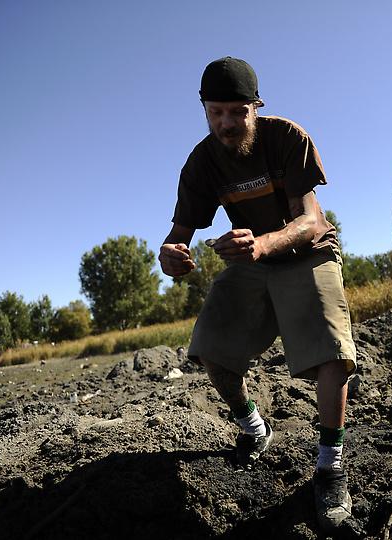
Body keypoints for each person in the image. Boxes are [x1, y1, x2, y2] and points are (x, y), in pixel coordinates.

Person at [159, 56, 356, 532]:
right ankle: (253, 428)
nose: (226, 123)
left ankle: (330, 468)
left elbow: (310, 221)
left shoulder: (286, 137)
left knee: (332, 354)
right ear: (205, 110)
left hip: (307, 253)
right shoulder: (202, 162)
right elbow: (178, 233)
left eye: (236, 112)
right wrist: (171, 254)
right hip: (252, 264)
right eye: (215, 112)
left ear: (255, 106)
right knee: (212, 349)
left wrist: (262, 242)